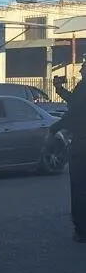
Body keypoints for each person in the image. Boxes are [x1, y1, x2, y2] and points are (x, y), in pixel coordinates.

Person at [51, 61, 86, 242]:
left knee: (79, 189)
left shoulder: (84, 87)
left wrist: (54, 127)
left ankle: (81, 229)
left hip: (81, 143)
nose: (80, 69)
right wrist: (59, 89)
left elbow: (74, 111)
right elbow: (75, 103)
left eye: (84, 66)